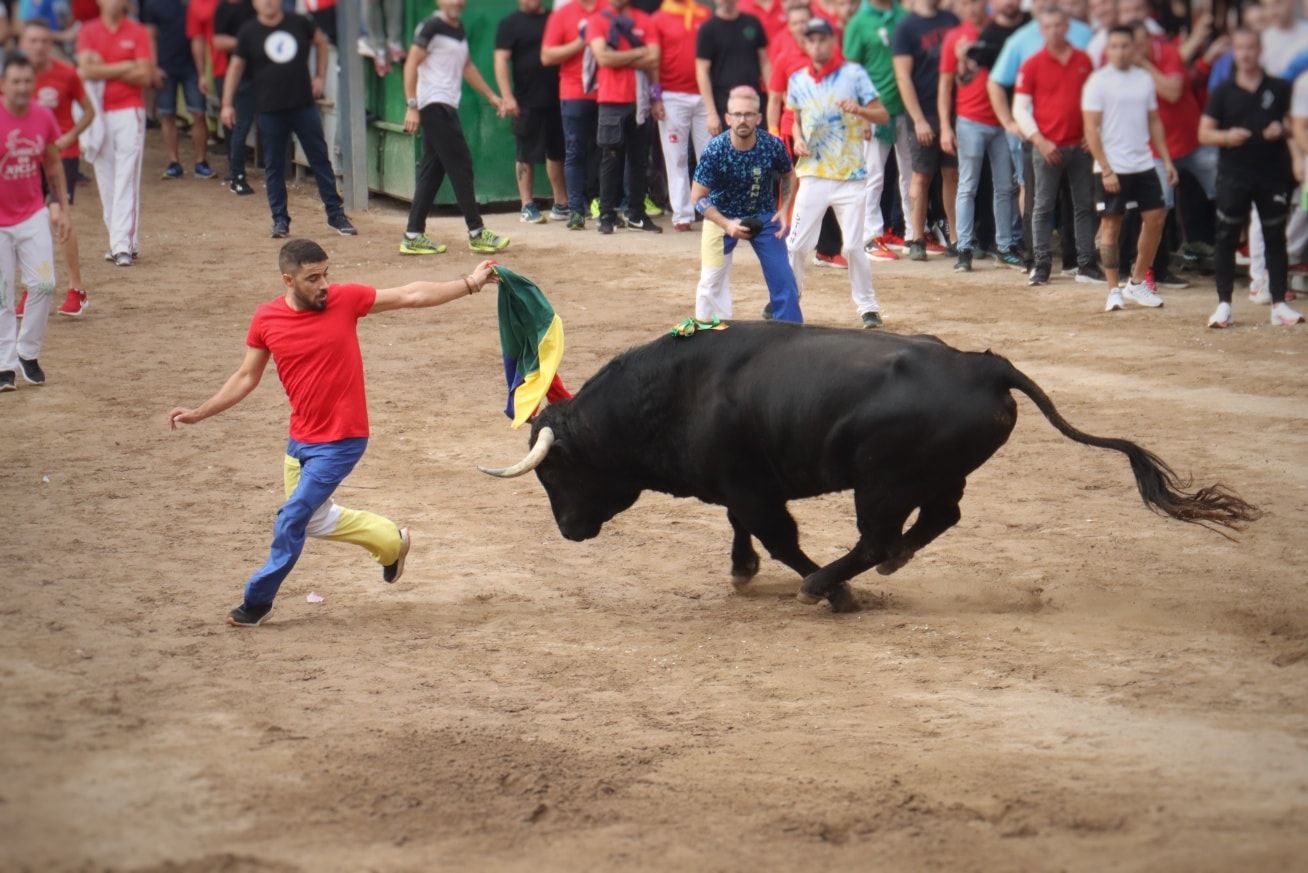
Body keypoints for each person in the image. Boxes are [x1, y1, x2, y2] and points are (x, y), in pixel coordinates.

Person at [166, 240, 501, 627]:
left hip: (342, 441)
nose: (324, 284)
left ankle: (257, 602)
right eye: (313, 278)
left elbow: (410, 294)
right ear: (288, 280)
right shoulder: (266, 319)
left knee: (291, 518)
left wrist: (471, 283)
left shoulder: (346, 300)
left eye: (326, 274)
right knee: (312, 519)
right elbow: (245, 376)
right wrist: (199, 413)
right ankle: (392, 542)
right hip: (299, 442)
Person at [786, 18, 889, 327]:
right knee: (795, 244)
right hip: (814, 173)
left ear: (833, 43)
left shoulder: (854, 75)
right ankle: (788, 301)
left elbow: (882, 112)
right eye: (811, 40)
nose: (817, 45)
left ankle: (867, 306)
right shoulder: (798, 80)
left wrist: (861, 111)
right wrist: (798, 138)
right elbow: (796, 119)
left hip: (850, 175)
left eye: (822, 40)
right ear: (805, 44)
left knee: (855, 245)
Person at [223, 0, 356, 239]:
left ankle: (335, 215)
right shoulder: (248, 32)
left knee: (320, 160)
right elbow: (235, 67)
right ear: (254, 4)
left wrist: (320, 77)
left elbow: (321, 42)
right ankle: (280, 220)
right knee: (274, 166)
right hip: (270, 109)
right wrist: (226, 104)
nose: (269, 2)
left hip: (303, 105)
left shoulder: (299, 22)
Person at [1198, 28, 1302, 327]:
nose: (1245, 54)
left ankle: (1278, 303)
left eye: (1251, 48)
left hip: (1273, 174)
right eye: (1240, 48)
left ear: (1260, 51)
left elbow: (1296, 126)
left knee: (1275, 238)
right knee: (1226, 238)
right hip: (1234, 174)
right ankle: (1224, 305)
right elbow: (1203, 133)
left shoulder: (1280, 88)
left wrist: (1282, 130)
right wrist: (1227, 136)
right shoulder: (1223, 92)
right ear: (1234, 52)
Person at [401, 0, 509, 255]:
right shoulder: (431, 26)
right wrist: (412, 105)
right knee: (461, 165)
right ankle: (477, 232)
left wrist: (491, 96)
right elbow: (410, 64)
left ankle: (413, 235)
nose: (457, 2)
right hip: (433, 105)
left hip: (446, 105)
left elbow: (467, 66)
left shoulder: (458, 29)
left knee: (432, 172)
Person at [691, 86, 802, 324]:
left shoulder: (771, 145)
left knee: (785, 281)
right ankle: (711, 333)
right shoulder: (715, 149)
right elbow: (698, 198)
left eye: (749, 114)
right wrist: (726, 224)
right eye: (737, 114)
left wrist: (784, 210)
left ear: (758, 118)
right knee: (711, 281)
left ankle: (789, 336)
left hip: (763, 216)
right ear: (728, 118)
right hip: (721, 217)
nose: (743, 120)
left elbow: (789, 175)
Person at [1082, 25, 1170, 311]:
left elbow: (1155, 120)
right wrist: (1106, 168)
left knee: (1156, 218)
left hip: (1142, 161)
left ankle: (1136, 282)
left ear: (1134, 48)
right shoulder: (1098, 81)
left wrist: (1166, 159)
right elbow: (1091, 129)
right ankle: (1113, 290)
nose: (1120, 51)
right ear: (1108, 50)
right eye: (1115, 46)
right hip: (1112, 164)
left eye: (1125, 46)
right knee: (1111, 224)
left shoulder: (1144, 79)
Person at [1, 54, 71, 393]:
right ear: (3, 85)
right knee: (2, 294)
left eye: (27, 81)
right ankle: (4, 364)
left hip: (32, 213)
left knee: (43, 284)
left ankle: (27, 352)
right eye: (15, 81)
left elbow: (54, 164)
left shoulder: (42, 116)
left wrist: (61, 205)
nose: (22, 88)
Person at [1012, 6, 1097, 287]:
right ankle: (1041, 265)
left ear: (1066, 27)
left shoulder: (1084, 60)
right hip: (1046, 146)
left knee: (1084, 205)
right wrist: (1039, 140)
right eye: (1048, 27)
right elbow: (1020, 109)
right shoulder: (1032, 64)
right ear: (1042, 29)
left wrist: (1093, 132)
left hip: (1080, 146)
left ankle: (1086, 264)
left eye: (1059, 26)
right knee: (1042, 207)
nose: (1054, 31)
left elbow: (1097, 100)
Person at [16, 20, 94, 318]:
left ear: (51, 44)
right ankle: (31, 288)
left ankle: (76, 289)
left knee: (60, 214)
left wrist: (70, 137)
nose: (38, 46)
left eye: (44, 40)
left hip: (62, 155)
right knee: (25, 221)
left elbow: (89, 111)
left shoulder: (66, 73)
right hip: (25, 158)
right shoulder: (13, 77)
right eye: (32, 40)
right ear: (22, 44)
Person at [938, 0, 1023, 271]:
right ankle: (964, 247)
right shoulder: (955, 37)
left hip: (1002, 121)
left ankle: (1004, 245)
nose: (972, 8)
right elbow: (947, 84)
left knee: (1005, 187)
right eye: (966, 3)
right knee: (968, 185)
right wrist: (945, 126)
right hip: (970, 121)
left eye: (976, 2)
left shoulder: (998, 32)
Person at [76, 0, 154, 267]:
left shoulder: (137, 31)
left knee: (126, 176)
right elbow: (85, 70)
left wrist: (105, 68)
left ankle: (123, 244)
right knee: (105, 175)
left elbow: (145, 75)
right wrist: (124, 66)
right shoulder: (88, 31)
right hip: (97, 112)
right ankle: (118, 241)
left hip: (129, 110)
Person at [843, 0, 912, 260]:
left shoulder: (903, 15)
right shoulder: (859, 21)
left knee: (910, 173)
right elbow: (850, 70)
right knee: (872, 175)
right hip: (872, 110)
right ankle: (869, 236)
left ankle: (913, 232)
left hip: (905, 106)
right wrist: (860, 115)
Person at [588, 0, 663, 234]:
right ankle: (607, 216)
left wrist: (656, 98)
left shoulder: (645, 20)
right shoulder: (597, 20)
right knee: (610, 159)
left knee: (639, 160)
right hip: (611, 100)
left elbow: (654, 60)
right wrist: (639, 52)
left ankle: (636, 214)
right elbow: (603, 58)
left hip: (640, 101)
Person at [892, 0, 960, 261]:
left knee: (951, 173)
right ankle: (917, 237)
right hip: (922, 111)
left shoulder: (950, 21)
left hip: (951, 110)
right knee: (921, 176)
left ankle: (955, 238)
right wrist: (918, 119)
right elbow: (903, 77)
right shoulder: (906, 28)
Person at [495, 0, 569, 225]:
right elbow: (500, 61)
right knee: (525, 153)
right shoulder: (509, 24)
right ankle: (527, 205)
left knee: (557, 152)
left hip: (558, 97)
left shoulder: (554, 19)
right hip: (525, 101)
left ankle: (561, 204)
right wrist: (507, 97)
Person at [541, 0, 607, 231]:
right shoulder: (564, 14)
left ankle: (605, 209)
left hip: (608, 91)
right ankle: (577, 211)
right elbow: (547, 56)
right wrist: (581, 42)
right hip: (574, 91)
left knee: (607, 150)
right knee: (575, 150)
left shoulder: (608, 9)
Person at [651, 0, 711, 232]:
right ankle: (683, 214)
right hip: (672, 96)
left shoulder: (704, 14)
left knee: (709, 156)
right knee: (676, 157)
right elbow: (654, 61)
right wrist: (656, 96)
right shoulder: (658, 18)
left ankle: (710, 208)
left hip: (704, 95)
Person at [142, 0, 212, 180]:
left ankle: (201, 162)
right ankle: (174, 162)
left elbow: (200, 35)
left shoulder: (194, 3)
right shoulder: (153, 4)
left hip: (191, 66)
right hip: (165, 67)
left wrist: (201, 71)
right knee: (167, 115)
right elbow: (149, 37)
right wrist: (154, 66)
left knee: (199, 113)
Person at [696, 0, 770, 136]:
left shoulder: (752, 22)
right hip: (723, 103)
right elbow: (702, 71)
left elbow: (765, 62)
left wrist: (772, 99)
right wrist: (711, 113)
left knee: (759, 149)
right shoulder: (707, 29)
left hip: (754, 100)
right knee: (729, 152)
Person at [212, 0, 256, 195]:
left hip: (267, 73)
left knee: (274, 123)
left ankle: (275, 170)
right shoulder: (223, 8)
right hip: (241, 75)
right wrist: (249, 43)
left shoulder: (255, 5)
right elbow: (218, 41)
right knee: (241, 125)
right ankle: (237, 175)